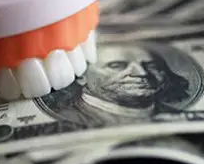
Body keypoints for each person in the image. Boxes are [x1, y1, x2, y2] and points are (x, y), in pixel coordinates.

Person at [39, 44, 192, 127]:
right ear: (81, 76)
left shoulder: (175, 116)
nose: (141, 73)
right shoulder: (66, 119)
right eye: (117, 65)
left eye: (151, 65)